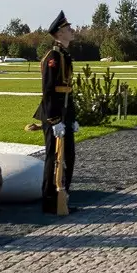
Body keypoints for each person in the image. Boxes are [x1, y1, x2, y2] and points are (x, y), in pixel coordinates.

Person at [39, 11, 77, 215]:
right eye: (68, 28)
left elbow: (68, 90)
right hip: (52, 114)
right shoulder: (52, 57)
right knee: (53, 157)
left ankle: (63, 198)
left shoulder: (65, 55)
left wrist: (72, 117)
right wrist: (54, 120)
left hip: (64, 113)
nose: (72, 31)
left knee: (68, 156)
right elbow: (48, 90)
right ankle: (49, 200)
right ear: (60, 33)